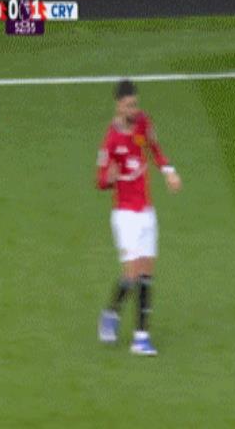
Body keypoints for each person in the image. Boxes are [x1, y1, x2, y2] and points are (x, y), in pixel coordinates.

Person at [96, 80, 181, 355]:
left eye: (135, 104)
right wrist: (108, 179)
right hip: (125, 215)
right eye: (129, 105)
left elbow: (155, 149)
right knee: (131, 274)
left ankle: (141, 337)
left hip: (146, 211)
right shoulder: (111, 140)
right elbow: (100, 179)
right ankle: (111, 313)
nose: (134, 109)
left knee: (146, 274)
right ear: (118, 105)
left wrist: (169, 171)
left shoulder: (144, 122)